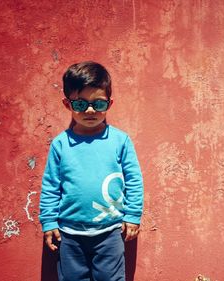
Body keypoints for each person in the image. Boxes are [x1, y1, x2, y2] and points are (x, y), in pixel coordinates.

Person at [39, 61, 144, 281]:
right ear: (68, 105)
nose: (89, 110)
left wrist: (133, 215)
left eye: (98, 104)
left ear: (109, 103)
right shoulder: (60, 144)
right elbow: (50, 186)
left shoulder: (120, 141)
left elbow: (134, 180)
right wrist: (48, 222)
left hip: (110, 232)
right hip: (69, 235)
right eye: (80, 104)